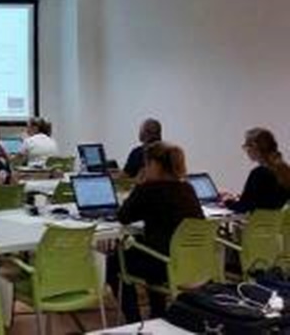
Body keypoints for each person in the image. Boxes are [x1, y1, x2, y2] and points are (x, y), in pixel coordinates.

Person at [107, 142, 203, 322]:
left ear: (155, 164)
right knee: (147, 247)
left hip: (165, 264)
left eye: (147, 163)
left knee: (114, 262)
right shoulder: (187, 188)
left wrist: (139, 184)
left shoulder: (149, 189)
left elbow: (123, 216)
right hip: (192, 263)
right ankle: (157, 312)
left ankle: (134, 319)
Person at [223, 128, 290, 213]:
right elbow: (264, 200)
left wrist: (227, 201)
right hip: (274, 220)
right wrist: (239, 198)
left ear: (255, 147)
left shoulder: (258, 174)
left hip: (259, 221)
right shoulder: (285, 170)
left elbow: (244, 207)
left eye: (246, 146)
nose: (246, 150)